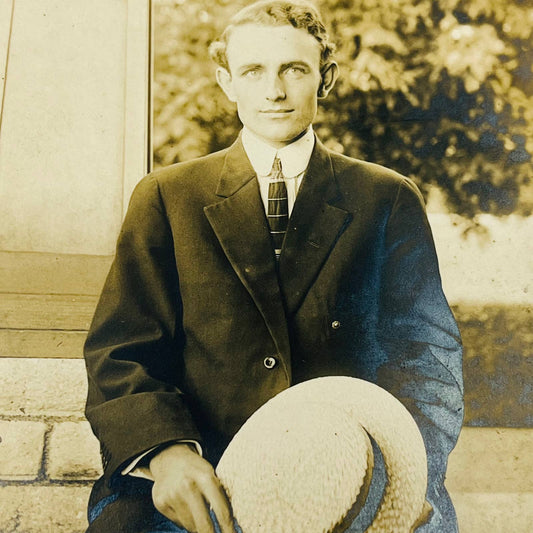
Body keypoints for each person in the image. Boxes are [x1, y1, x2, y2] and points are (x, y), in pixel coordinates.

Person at [83, 1, 464, 532]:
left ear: (325, 78)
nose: (274, 91)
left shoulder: (386, 198)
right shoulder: (168, 197)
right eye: (253, 71)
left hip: (351, 469)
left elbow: (428, 358)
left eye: (294, 69)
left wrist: (408, 468)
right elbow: (120, 352)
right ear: (226, 81)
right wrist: (166, 452)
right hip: (205, 469)